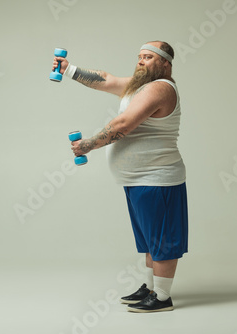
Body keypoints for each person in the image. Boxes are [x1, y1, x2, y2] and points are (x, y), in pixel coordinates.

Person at [52, 41, 188, 313]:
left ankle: (162, 297)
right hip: (137, 180)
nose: (140, 61)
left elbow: (124, 124)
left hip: (157, 178)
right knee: (150, 239)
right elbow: (106, 79)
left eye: (148, 57)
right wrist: (69, 70)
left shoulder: (161, 88)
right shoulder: (140, 86)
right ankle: (151, 288)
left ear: (165, 63)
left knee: (161, 241)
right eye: (139, 56)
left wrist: (88, 144)